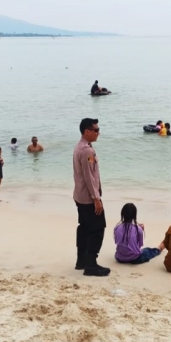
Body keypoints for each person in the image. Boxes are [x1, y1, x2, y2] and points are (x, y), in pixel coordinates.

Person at [73, 118, 110, 276]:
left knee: (84, 228)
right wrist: (96, 198)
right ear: (86, 131)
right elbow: (89, 176)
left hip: (79, 195)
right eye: (95, 130)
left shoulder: (80, 146)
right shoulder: (87, 151)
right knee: (98, 228)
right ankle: (91, 264)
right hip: (88, 198)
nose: (98, 133)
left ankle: (81, 260)